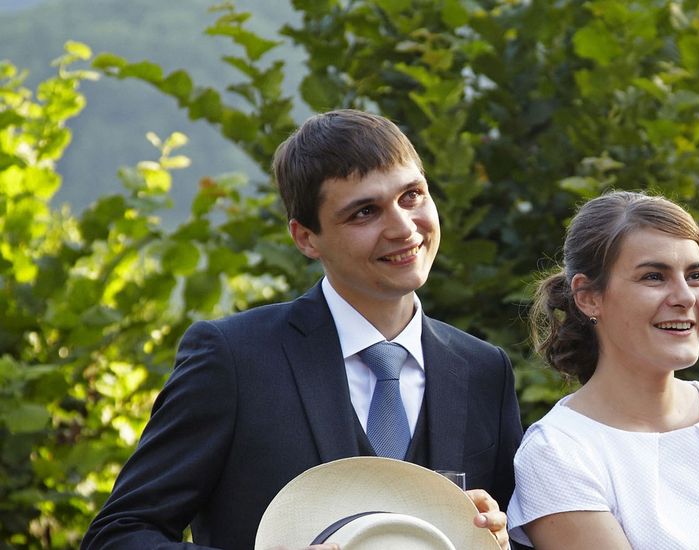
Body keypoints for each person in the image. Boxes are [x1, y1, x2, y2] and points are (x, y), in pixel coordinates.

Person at [81, 109, 522, 550]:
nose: (403, 228)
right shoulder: (234, 359)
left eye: (412, 196)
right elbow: (117, 536)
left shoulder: (485, 371)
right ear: (306, 238)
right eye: (365, 212)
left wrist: (499, 541)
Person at [506, 191, 699, 549]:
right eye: (654, 277)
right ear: (589, 297)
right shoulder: (558, 452)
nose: (685, 297)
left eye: (695, 275)